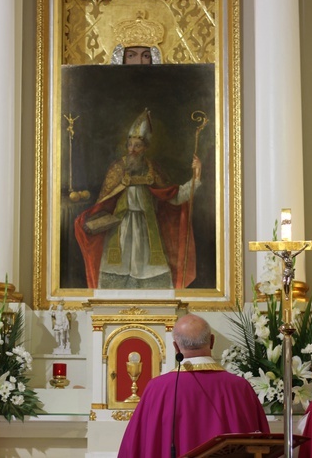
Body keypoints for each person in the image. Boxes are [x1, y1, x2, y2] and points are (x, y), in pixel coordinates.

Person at [75, 108, 201, 289]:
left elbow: (172, 197)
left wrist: (196, 177)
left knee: (148, 272)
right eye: (130, 145)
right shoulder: (117, 168)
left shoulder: (153, 169)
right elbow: (104, 200)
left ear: (146, 148)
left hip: (146, 227)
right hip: (120, 226)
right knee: (116, 274)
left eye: (137, 146)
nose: (132, 150)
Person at [118, 314, 270, 457]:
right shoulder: (240, 388)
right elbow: (262, 446)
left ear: (176, 347)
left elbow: (133, 447)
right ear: (212, 341)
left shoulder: (157, 389)